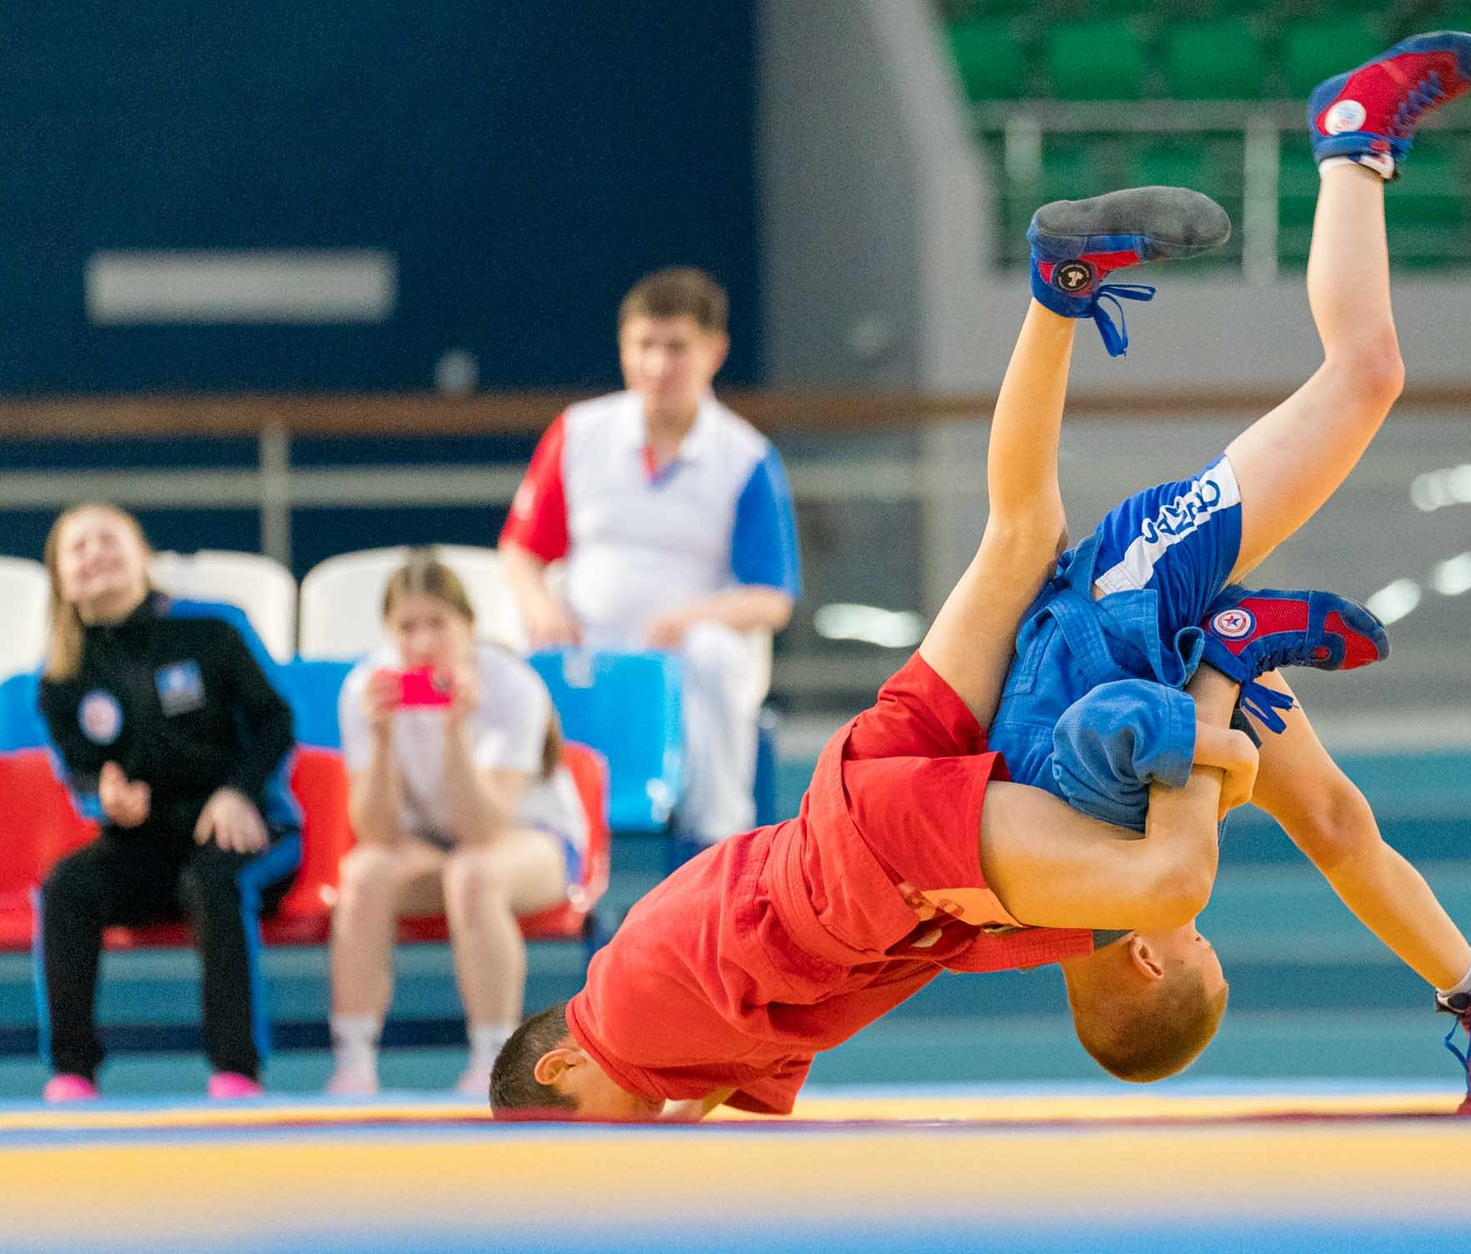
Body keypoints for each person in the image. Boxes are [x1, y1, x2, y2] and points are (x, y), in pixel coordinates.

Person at [491, 185, 1256, 1121]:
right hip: (859, 813)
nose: (637, 1138)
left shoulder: (622, 1016)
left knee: (1162, 877)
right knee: (1022, 535)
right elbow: (711, 1083)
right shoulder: (655, 1019)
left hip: (869, 853)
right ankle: (1059, 287)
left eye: (607, 1135)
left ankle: (1216, 678)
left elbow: (689, 1090)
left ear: (563, 1065)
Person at [988, 35, 1471, 1111]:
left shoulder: (1092, 878)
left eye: (1200, 944)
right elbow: (1331, 829)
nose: (1197, 918)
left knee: (1365, 375)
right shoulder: (1087, 897)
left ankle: (1350, 140)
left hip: (1127, 604)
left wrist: (1224, 697)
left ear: (1146, 958)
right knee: (1331, 820)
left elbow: (1106, 725)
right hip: (1166, 636)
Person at [498, 266, 801, 856]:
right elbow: (520, 551)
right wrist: (540, 607)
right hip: (585, 641)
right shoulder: (577, 433)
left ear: (715, 351)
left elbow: (773, 597)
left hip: (685, 650)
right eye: (645, 347)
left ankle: (718, 840)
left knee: (713, 655)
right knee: (509, 657)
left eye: (676, 348)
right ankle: (525, 833)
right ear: (623, 348)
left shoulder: (745, 457)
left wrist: (696, 617)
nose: (659, 366)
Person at [30, 504, 302, 1102]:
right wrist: (106, 800)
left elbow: (275, 722)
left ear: (142, 556)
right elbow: (81, 773)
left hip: (250, 831)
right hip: (147, 847)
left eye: (108, 538)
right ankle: (72, 1073)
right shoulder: (61, 679)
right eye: (78, 547)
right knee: (66, 889)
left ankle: (236, 1071)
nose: (94, 553)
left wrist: (238, 794)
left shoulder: (212, 632)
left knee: (212, 877)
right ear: (60, 578)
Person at [325, 552, 591, 1098]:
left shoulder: (511, 686)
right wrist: (379, 740)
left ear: (469, 627)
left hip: (532, 840)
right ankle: (353, 1064)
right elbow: (375, 832)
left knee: (473, 874)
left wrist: (454, 733)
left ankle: (491, 1064)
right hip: (432, 846)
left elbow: (483, 830)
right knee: (364, 872)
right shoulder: (364, 690)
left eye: (437, 625)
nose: (423, 643)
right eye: (407, 628)